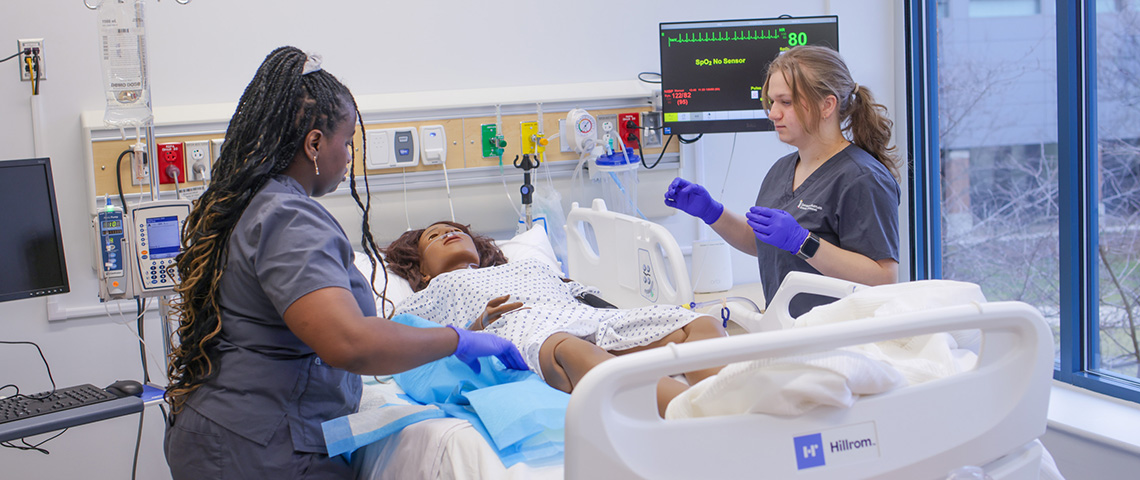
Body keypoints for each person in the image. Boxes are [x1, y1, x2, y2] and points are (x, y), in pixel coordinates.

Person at [163, 47, 525, 480]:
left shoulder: (248, 201)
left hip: (228, 433)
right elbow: (349, 342)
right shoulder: (288, 217)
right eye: (348, 140)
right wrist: (457, 340)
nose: (351, 155)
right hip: (260, 449)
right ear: (314, 143)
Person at [383, 221, 728, 417]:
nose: (449, 233)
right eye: (435, 235)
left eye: (455, 229)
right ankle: (702, 414)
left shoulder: (530, 265)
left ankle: (732, 394)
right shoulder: (432, 292)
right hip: (525, 329)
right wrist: (476, 327)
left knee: (700, 324)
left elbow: (588, 297)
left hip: (586, 317)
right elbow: (413, 343)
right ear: (422, 270)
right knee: (575, 351)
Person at [665, 45, 901, 317]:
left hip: (838, 340)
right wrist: (712, 212)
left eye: (785, 102)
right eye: (772, 102)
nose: (773, 113)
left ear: (827, 105)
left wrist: (804, 242)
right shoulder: (782, 170)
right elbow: (762, 242)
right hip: (786, 330)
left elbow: (883, 279)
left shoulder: (862, 178)